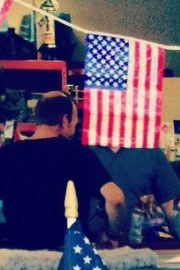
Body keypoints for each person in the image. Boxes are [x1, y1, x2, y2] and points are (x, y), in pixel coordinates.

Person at [0, 91, 124, 250]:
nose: (74, 128)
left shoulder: (7, 154)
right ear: (65, 120)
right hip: (70, 254)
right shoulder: (79, 154)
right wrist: (113, 235)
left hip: (22, 255)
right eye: (75, 123)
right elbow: (115, 198)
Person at [85, 144, 180, 246]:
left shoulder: (150, 150)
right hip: (87, 242)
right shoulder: (82, 149)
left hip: (139, 242)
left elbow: (169, 199)